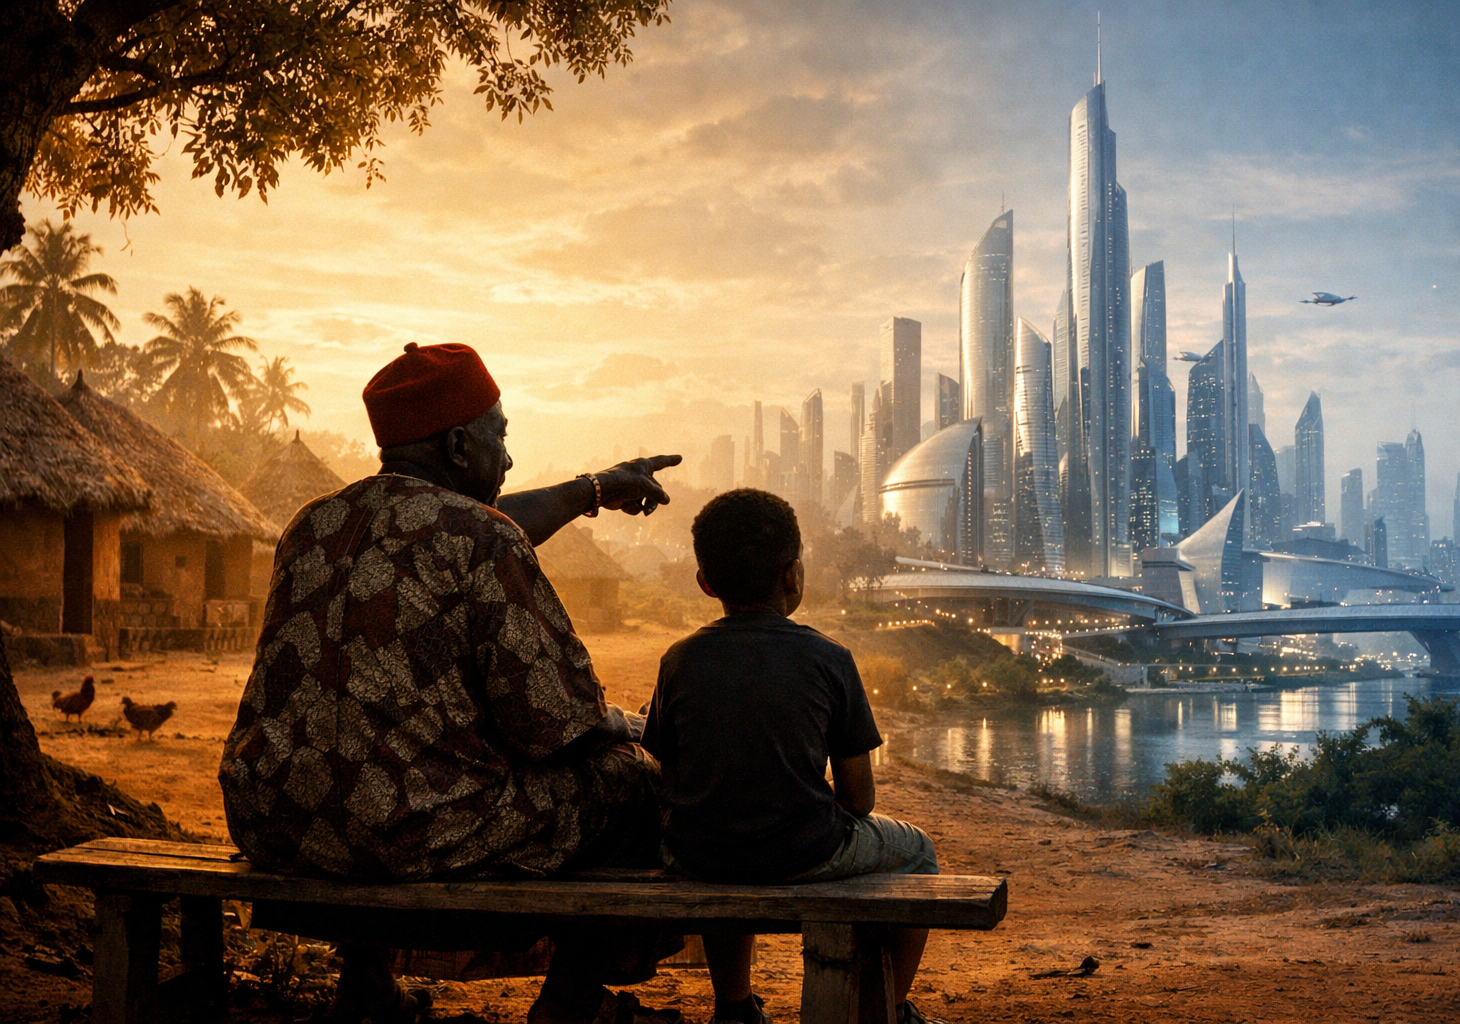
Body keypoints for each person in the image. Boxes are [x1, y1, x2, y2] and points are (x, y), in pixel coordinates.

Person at [220, 342, 681, 1024]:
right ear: (462, 446)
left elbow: (457, 524)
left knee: (371, 756)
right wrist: (630, 727)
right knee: (633, 782)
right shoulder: (482, 539)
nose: (510, 456)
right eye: (502, 436)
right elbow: (557, 723)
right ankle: (572, 998)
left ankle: (368, 982)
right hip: (406, 831)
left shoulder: (313, 526)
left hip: (276, 820)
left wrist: (595, 488)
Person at [640, 489, 941, 1024]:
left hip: (699, 853)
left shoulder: (678, 660)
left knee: (726, 837)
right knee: (918, 851)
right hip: (803, 852)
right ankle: (889, 1011)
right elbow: (859, 799)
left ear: (706, 583)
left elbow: (670, 772)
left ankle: (734, 1008)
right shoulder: (829, 658)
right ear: (793, 575)